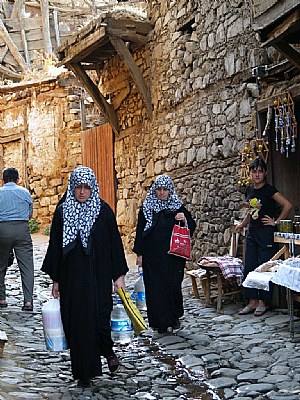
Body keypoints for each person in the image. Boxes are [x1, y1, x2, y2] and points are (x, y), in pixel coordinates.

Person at [41, 166, 129, 388]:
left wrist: (118, 275)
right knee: (78, 323)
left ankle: (108, 352)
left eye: (86, 187)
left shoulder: (103, 211)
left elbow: (114, 244)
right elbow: (56, 248)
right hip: (73, 281)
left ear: (93, 188)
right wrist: (56, 280)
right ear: (72, 188)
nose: (82, 192)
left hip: (99, 277)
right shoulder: (63, 212)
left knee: (101, 316)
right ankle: (83, 373)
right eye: (78, 187)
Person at [133, 174, 196, 334]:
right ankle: (159, 322)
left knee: (173, 286)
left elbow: (191, 226)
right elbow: (141, 230)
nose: (162, 193)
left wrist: (184, 219)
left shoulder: (177, 206)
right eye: (159, 189)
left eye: (165, 189)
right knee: (155, 288)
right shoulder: (147, 207)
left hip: (173, 256)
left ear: (170, 191)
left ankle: (174, 317)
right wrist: (139, 253)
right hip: (152, 257)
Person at [235, 157, 292, 316]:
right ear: (250, 173)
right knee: (250, 265)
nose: (257, 174)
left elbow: (287, 205)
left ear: (265, 173)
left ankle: (263, 302)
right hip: (252, 233)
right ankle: (252, 301)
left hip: (266, 234)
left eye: (260, 171)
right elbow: (250, 211)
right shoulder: (249, 190)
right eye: (254, 171)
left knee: (264, 267)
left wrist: (276, 222)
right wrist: (243, 224)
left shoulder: (269, 190)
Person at [0, 167, 34, 311]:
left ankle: (1, 298)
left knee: (1, 265)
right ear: (18, 179)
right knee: (26, 266)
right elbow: (30, 214)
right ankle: (28, 301)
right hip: (22, 229)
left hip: (2, 229)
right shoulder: (25, 192)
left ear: (3, 180)